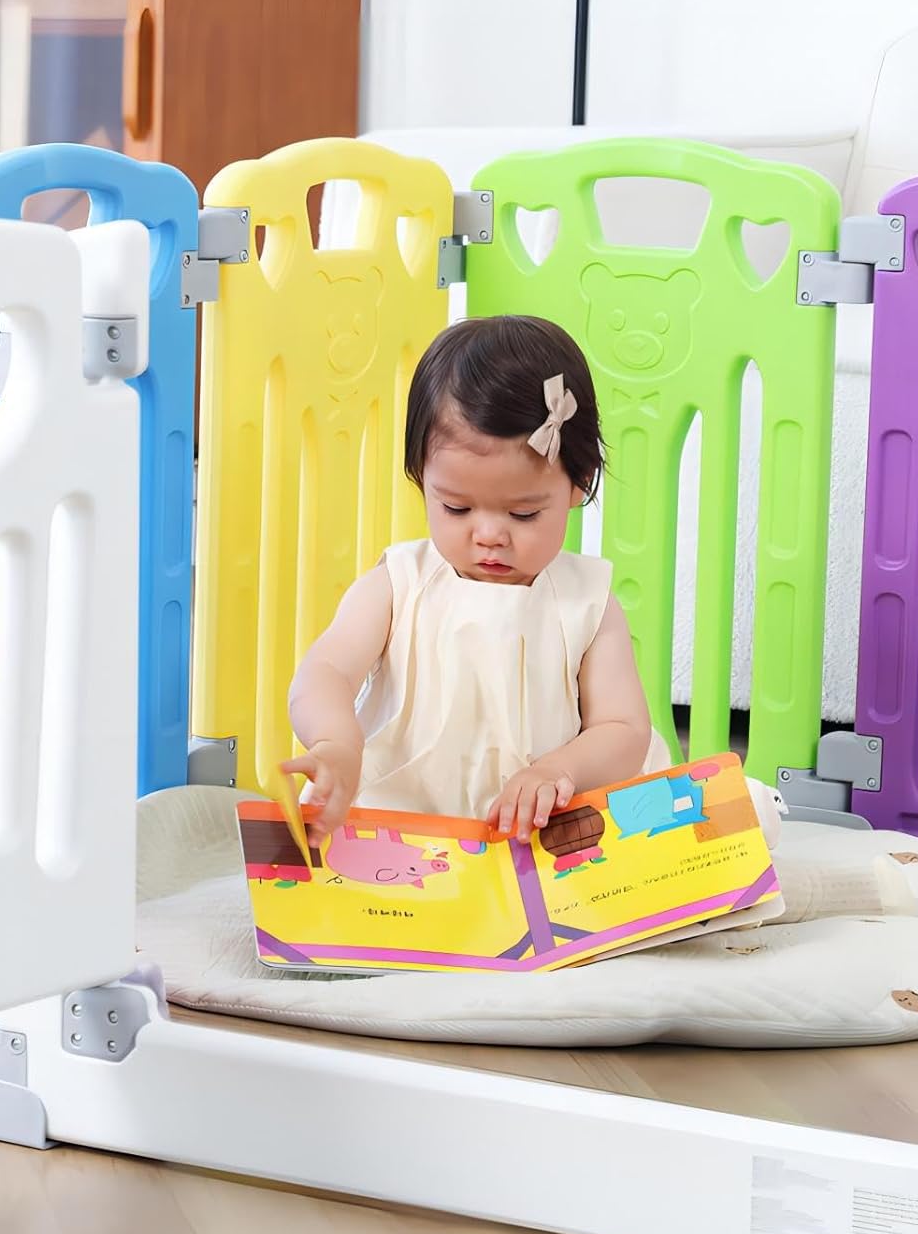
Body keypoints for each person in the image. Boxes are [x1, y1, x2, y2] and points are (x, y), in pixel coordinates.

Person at [283, 313, 672, 846]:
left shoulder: (587, 603)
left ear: (577, 485)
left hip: (541, 824)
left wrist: (557, 771)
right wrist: (336, 741)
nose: (489, 535)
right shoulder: (398, 585)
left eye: (523, 514)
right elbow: (324, 671)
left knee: (678, 833)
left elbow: (624, 730)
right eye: (457, 507)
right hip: (407, 818)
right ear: (422, 478)